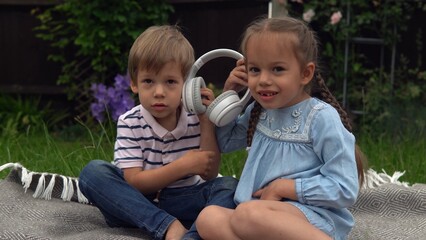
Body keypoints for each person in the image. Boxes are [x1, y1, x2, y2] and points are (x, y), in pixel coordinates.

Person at [195, 16, 366, 240]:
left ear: (306, 73)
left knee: (247, 213)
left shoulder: (320, 118)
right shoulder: (259, 111)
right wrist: (230, 94)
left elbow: (345, 188)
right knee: (208, 218)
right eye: (255, 70)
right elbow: (226, 143)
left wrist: (284, 188)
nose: (264, 80)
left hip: (310, 218)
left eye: (277, 69)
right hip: (259, 215)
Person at [78, 25, 238, 240]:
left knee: (229, 186)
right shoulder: (130, 122)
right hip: (137, 203)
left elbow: (208, 173)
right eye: (148, 81)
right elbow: (135, 182)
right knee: (92, 173)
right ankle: (167, 226)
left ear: (187, 85)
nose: (159, 92)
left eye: (170, 82)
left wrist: (206, 121)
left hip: (186, 199)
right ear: (134, 84)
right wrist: (182, 166)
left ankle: (190, 237)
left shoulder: (195, 117)